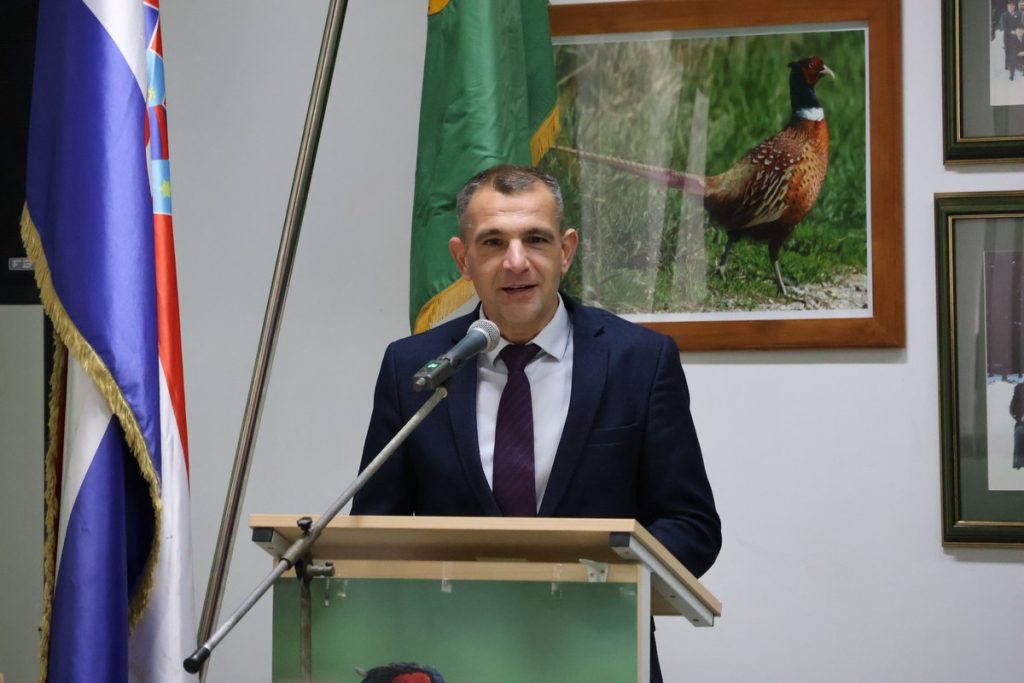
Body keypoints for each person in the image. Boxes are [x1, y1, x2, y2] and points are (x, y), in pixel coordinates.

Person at [352, 164, 721, 682]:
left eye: (536, 239)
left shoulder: (639, 361)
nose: (516, 261)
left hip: (601, 652)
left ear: (565, 251)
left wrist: (597, 582)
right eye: (493, 242)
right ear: (463, 259)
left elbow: (691, 525)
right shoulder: (415, 368)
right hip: (454, 656)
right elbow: (376, 530)